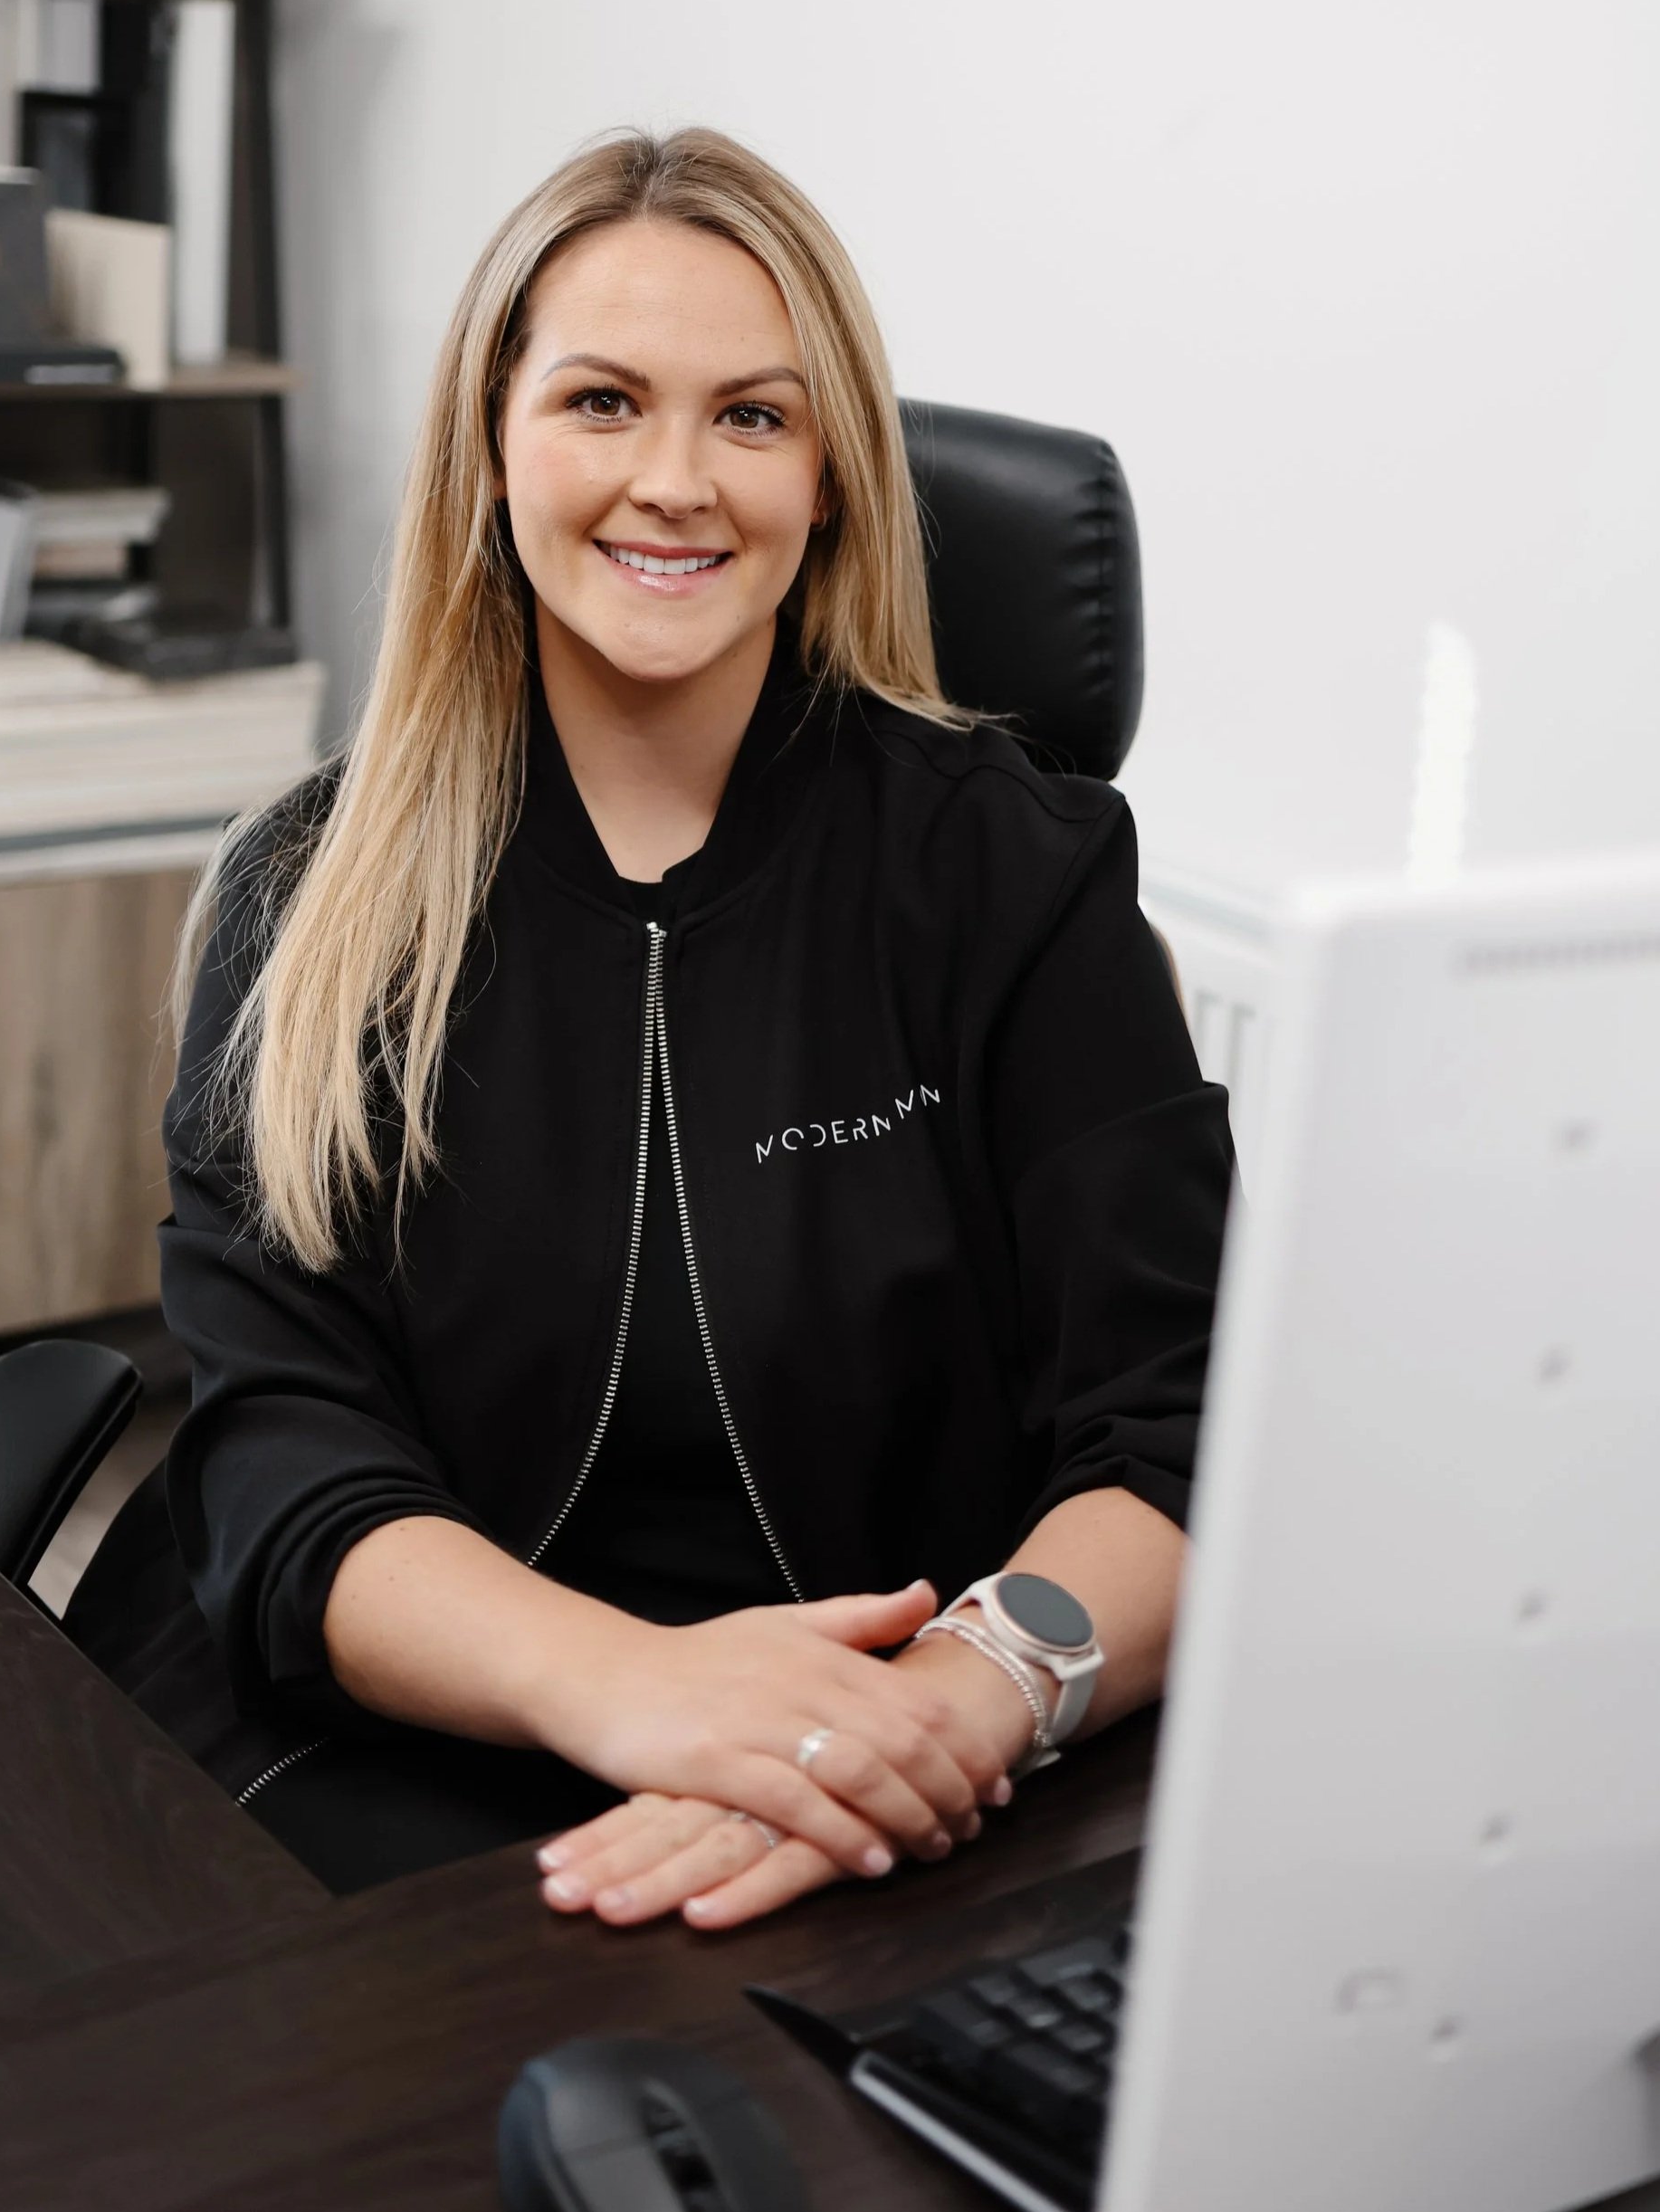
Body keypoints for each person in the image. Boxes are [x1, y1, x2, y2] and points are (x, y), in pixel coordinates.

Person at [68, 126, 1232, 1931]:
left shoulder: (1016, 873)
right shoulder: (308, 898)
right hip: (433, 1751)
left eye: (750, 417)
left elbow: (1171, 1426)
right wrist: (637, 1690)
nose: (673, 480)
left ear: (832, 470)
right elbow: (280, 1456)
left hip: (912, 1759)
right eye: (602, 402)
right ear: (491, 446)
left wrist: (938, 1713)